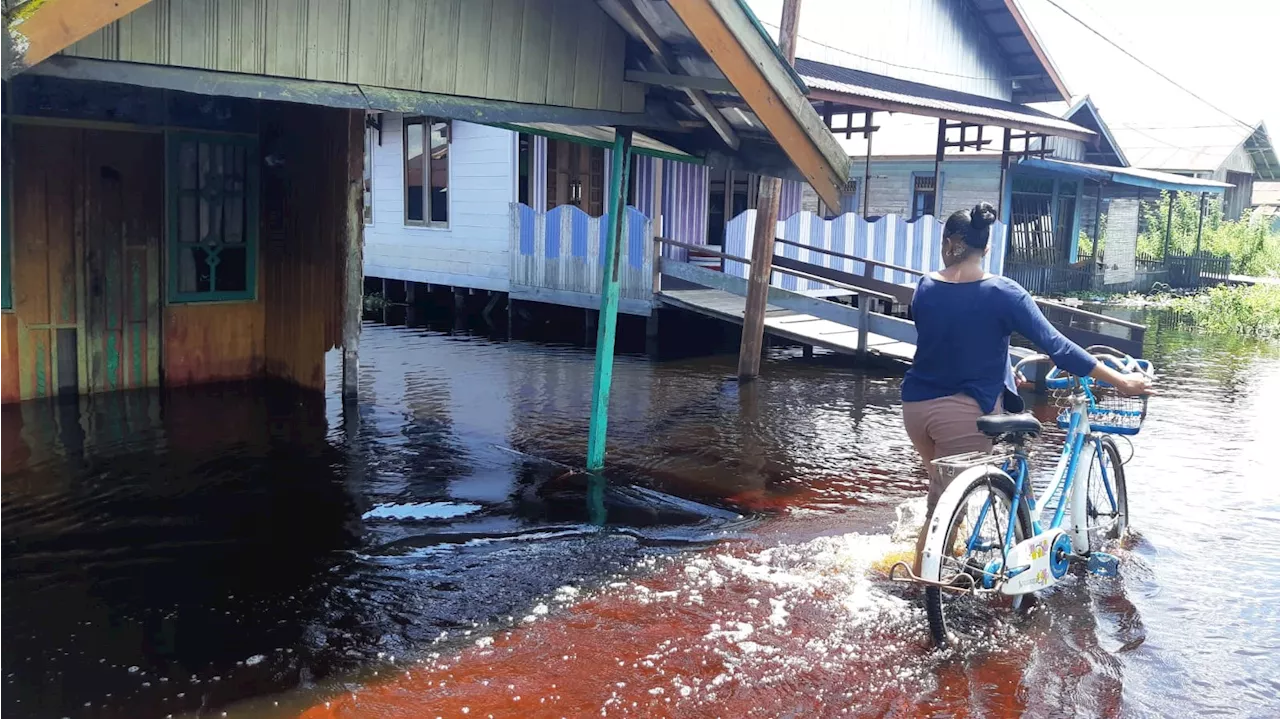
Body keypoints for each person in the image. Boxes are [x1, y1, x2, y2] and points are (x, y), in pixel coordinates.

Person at [903, 202, 1151, 560]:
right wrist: (1121, 381)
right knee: (943, 511)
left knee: (943, 495)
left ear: (948, 242)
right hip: (962, 412)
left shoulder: (925, 286)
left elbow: (951, 338)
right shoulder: (1004, 292)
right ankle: (922, 590)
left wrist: (1004, 368)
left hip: (915, 409)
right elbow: (1059, 348)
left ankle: (949, 563)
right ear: (987, 247)